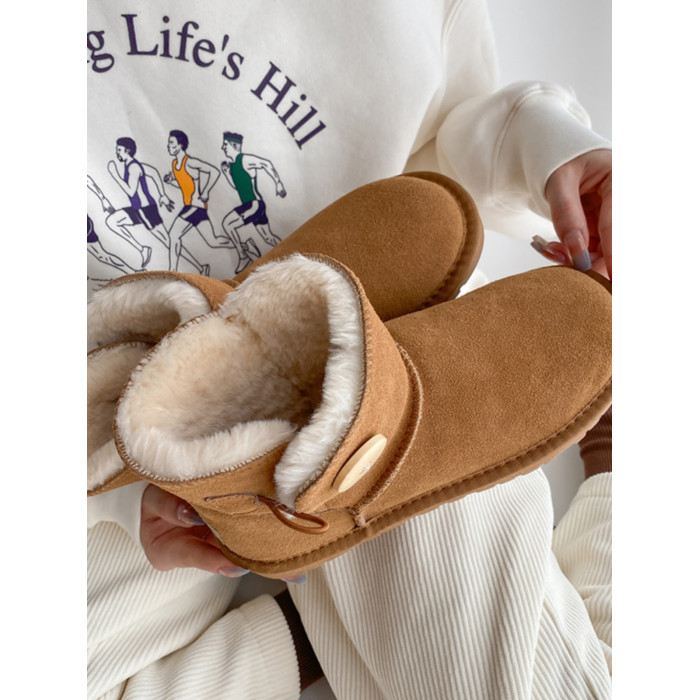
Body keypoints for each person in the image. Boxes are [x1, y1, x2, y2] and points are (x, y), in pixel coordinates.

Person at [87, 1, 612, 697]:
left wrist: (553, 151)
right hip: (340, 392)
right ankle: (299, 517)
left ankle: (282, 515)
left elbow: (453, 140)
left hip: (330, 339)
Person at [220, 131, 287, 273]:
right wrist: (226, 173)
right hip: (252, 206)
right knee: (268, 238)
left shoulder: (244, 160)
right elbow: (236, 187)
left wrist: (278, 183)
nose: (223, 147)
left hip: (254, 204)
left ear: (234, 145)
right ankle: (290, 253)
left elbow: (266, 163)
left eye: (225, 145)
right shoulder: (233, 165)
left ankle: (243, 256)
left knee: (227, 224)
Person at [104, 137, 174, 269]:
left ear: (127, 150)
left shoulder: (133, 167)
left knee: (168, 241)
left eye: (119, 150)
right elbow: (153, 172)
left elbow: (131, 191)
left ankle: (198, 266)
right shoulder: (132, 164)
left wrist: (115, 175)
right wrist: (162, 194)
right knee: (112, 221)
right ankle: (143, 249)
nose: (117, 153)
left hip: (145, 210)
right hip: (138, 208)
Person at [163, 129, 225, 274]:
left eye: (171, 143)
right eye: (168, 143)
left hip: (195, 206)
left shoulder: (189, 162)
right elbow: (184, 185)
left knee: (173, 234)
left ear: (180, 145)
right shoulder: (175, 164)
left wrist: (206, 191)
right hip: (190, 207)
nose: (168, 145)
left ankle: (172, 271)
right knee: (213, 241)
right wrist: (171, 182)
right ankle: (243, 246)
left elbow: (214, 171)